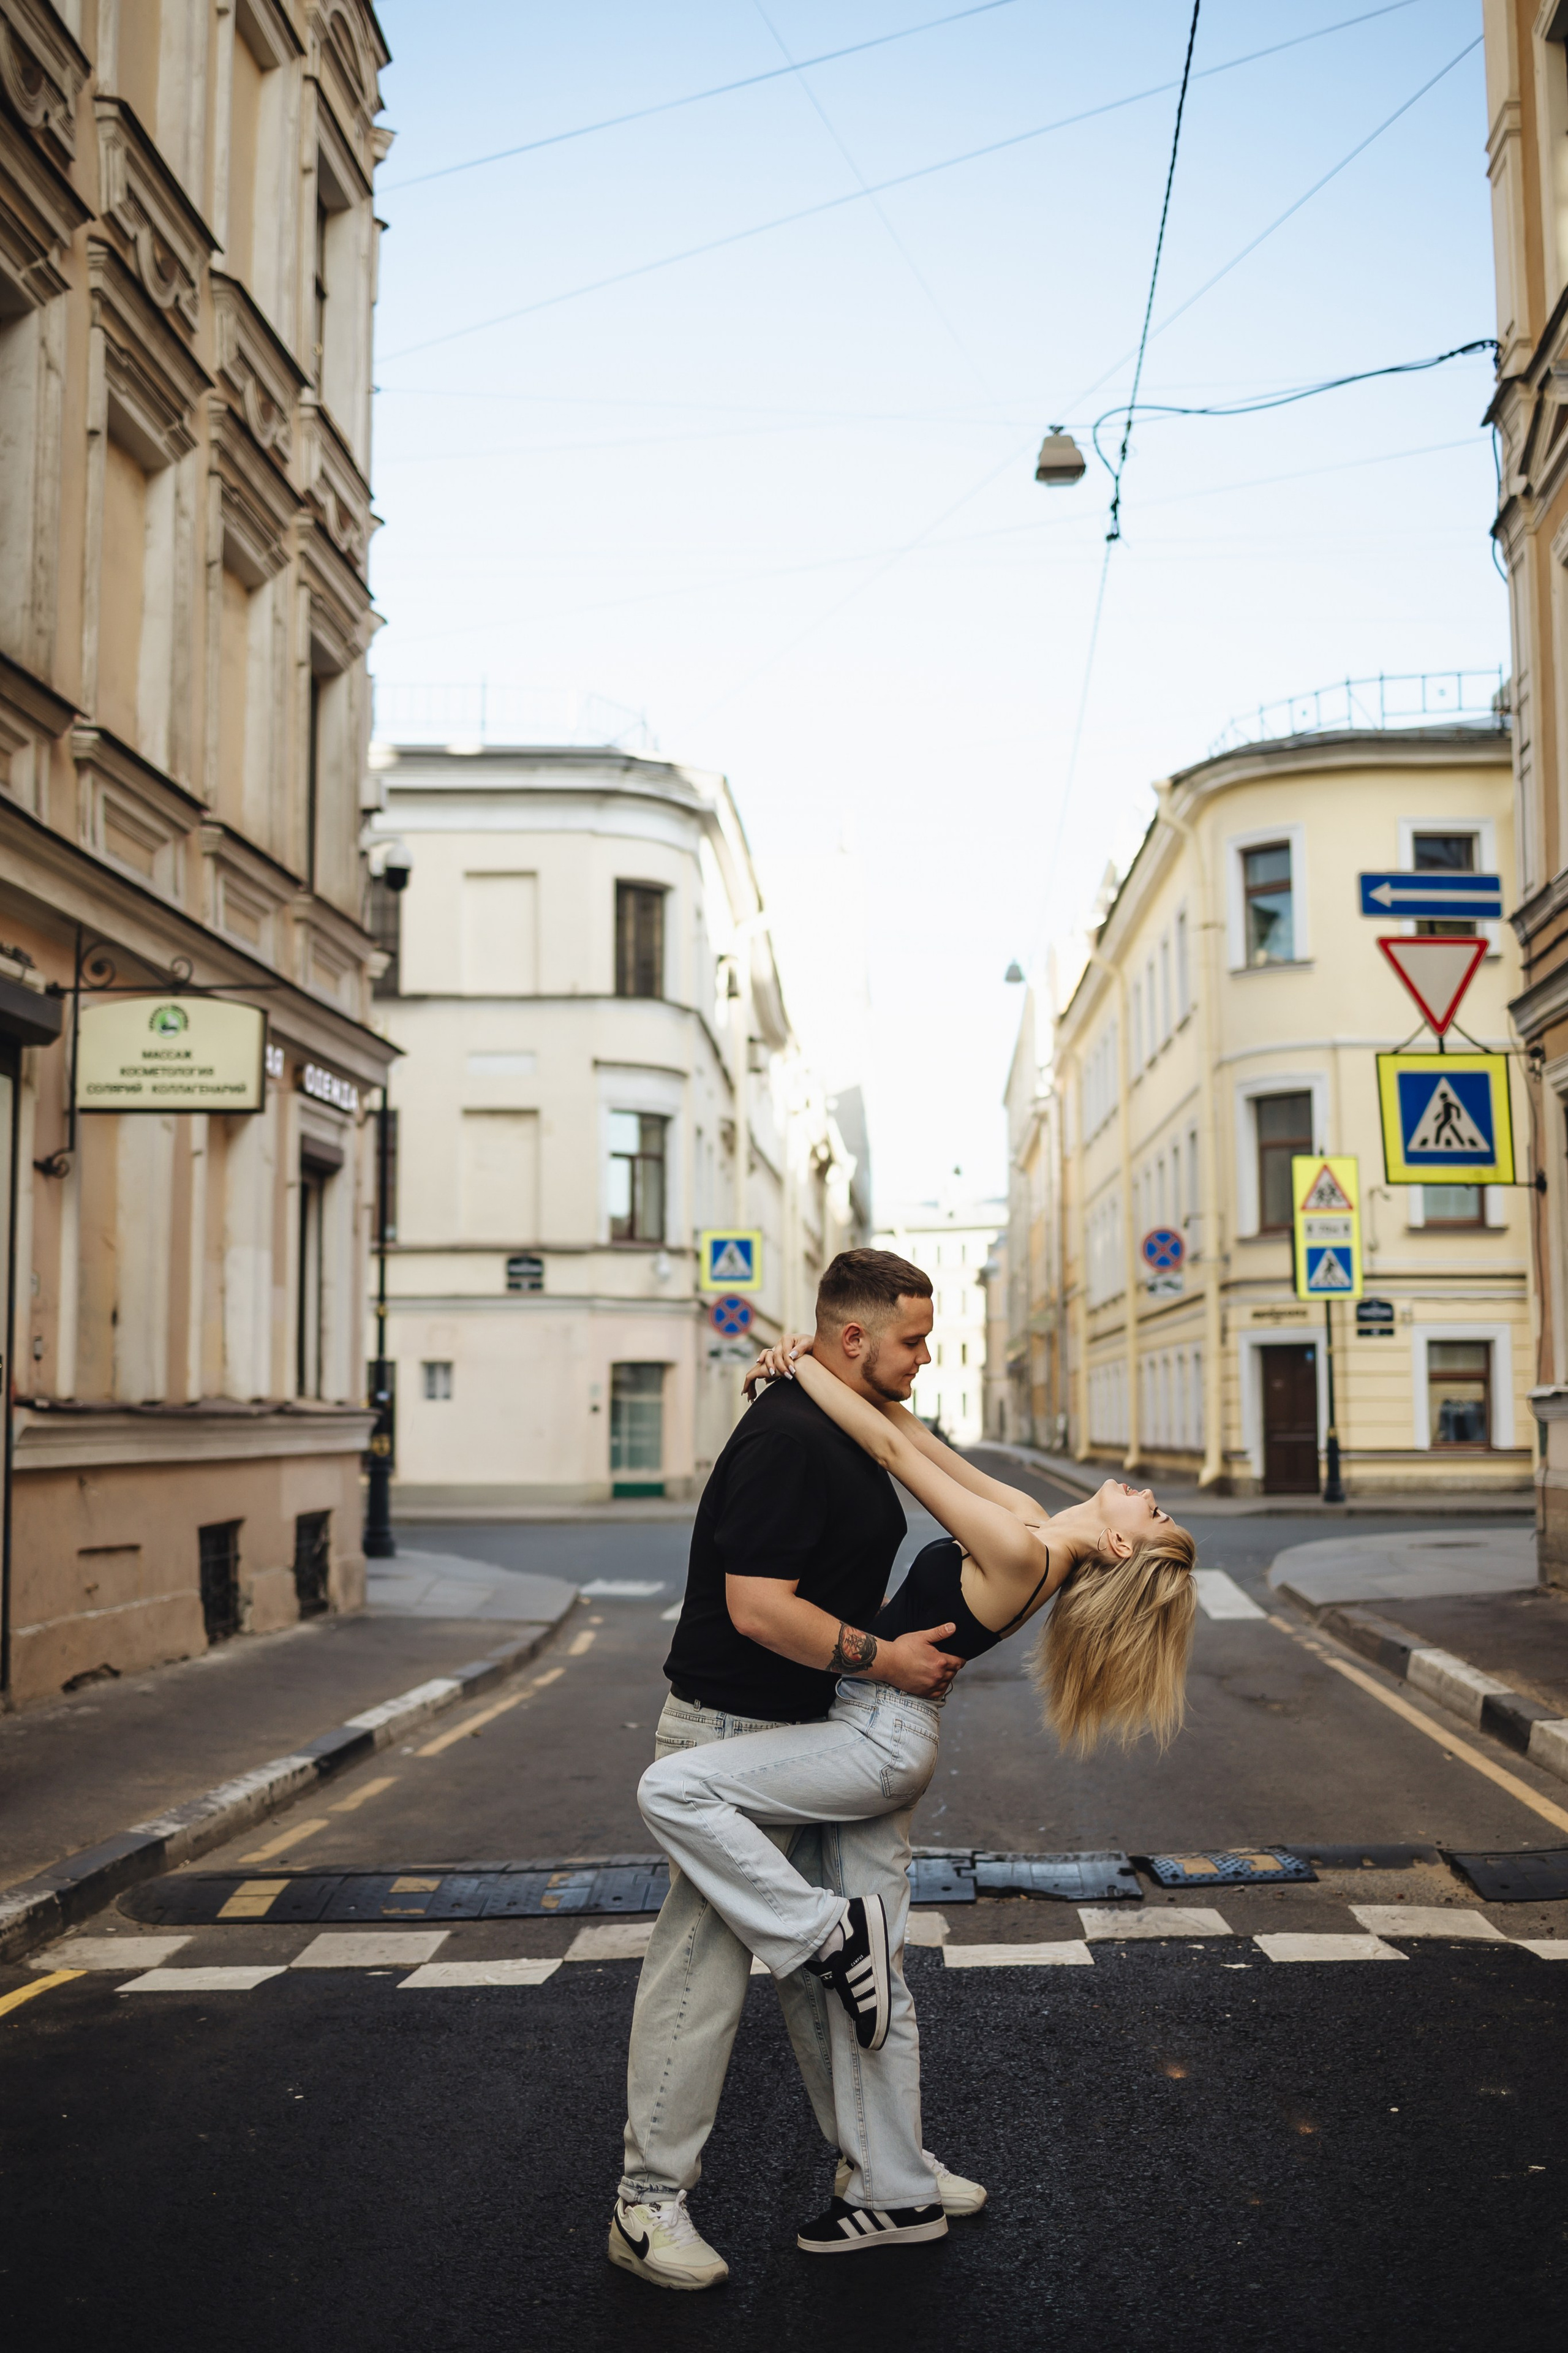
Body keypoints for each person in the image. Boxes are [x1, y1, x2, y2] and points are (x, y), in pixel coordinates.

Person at [634, 1321, 1198, 2260]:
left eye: (1154, 1513)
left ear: (1118, 1546)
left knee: (675, 1792)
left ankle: (820, 1938)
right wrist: (803, 1360)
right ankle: (895, 2185)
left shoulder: (1025, 1557)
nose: (1146, 1492)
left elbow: (897, 1453)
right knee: (877, 1982)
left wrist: (815, 1370)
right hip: (869, 1726)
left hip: (875, 1732)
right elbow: (920, 1433)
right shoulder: (1028, 1517)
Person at [611, 1249, 978, 2291]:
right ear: (854, 1338)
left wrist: (807, 1363)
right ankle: (646, 2204)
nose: (927, 1352)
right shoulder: (785, 1434)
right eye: (912, 1336)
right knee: (703, 1972)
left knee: (846, 1979)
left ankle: (889, 2171)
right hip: (729, 1732)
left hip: (807, 1732)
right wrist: (887, 1659)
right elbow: (759, 1608)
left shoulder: (846, 1413)